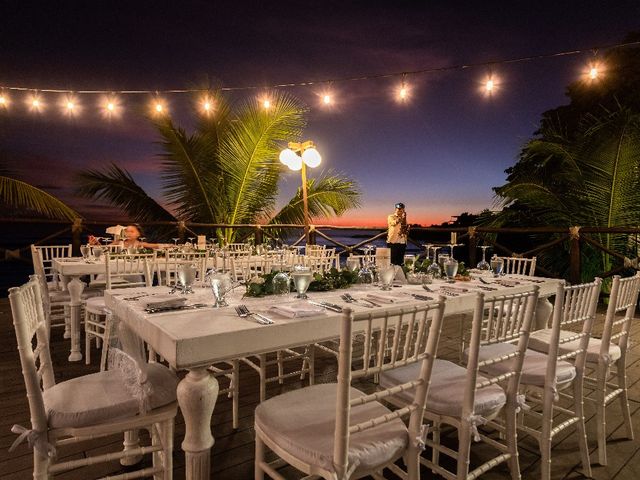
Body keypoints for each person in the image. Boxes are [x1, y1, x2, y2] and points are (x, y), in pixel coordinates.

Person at [89, 224, 160, 249]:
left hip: (134, 271)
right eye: (126, 231)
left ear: (138, 234)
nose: (128, 233)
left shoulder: (140, 244)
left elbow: (155, 246)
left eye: (131, 231)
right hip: (118, 268)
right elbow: (104, 249)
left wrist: (169, 245)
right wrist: (96, 243)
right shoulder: (119, 242)